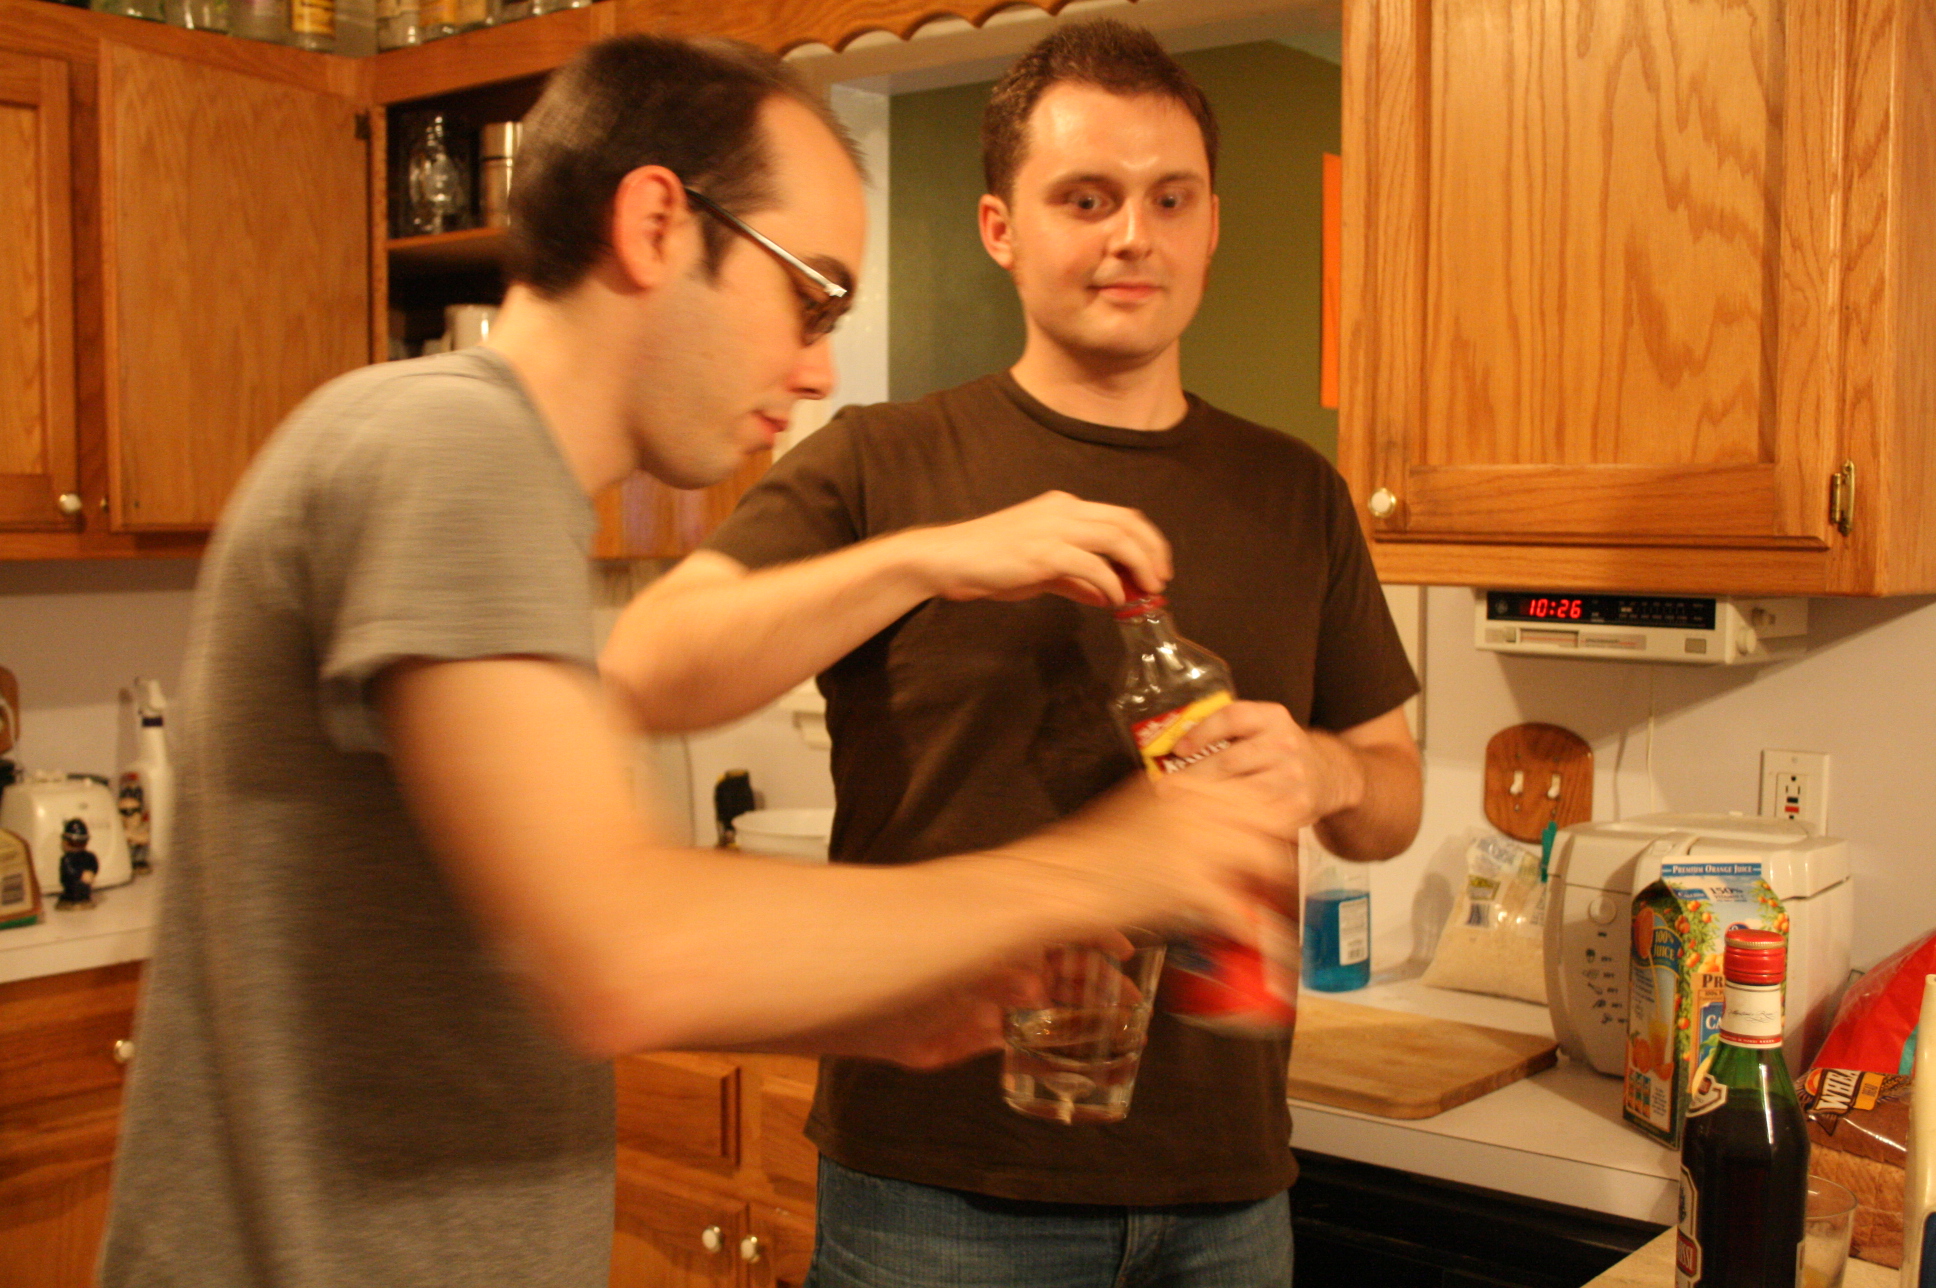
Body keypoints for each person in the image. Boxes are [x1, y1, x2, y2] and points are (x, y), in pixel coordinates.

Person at [97, 34, 1298, 1288]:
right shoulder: (448, 448)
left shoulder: (478, 471)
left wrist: (878, 997)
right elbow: (616, 952)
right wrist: (1107, 865)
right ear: (659, 223)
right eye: (812, 294)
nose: (823, 363)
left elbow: (497, 953)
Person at [602, 19, 1425, 1287]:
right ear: (1001, 228)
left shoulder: (1298, 492)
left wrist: (1323, 772)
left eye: (1169, 198)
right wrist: (928, 557)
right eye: (1083, 198)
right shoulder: (882, 461)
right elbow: (651, 666)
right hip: (935, 1192)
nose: (1130, 236)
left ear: (1211, 224)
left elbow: (1389, 795)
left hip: (1228, 1193)